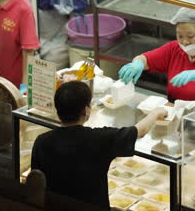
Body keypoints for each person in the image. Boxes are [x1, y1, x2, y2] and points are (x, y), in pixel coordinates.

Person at [31, 81, 167, 210]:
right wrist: (155, 113)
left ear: (57, 110)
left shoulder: (42, 141)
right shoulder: (99, 139)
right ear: (86, 110)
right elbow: (140, 131)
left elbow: (36, 183)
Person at [119, 7, 195, 103]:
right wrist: (137, 64)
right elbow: (145, 58)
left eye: (191, 36)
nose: (185, 42)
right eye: (180, 36)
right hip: (174, 112)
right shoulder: (174, 48)